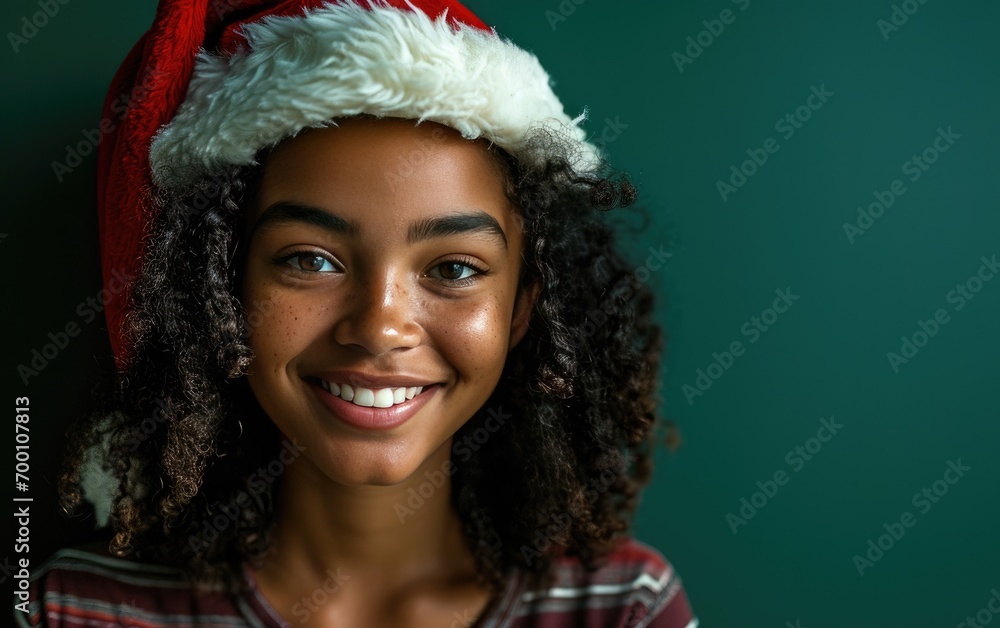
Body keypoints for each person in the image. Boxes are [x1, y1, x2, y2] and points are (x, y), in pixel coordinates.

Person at [16, 1, 697, 626]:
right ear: (221, 289)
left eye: (454, 269)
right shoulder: (74, 612)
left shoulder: (624, 611)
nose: (379, 327)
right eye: (310, 259)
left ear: (523, 307)